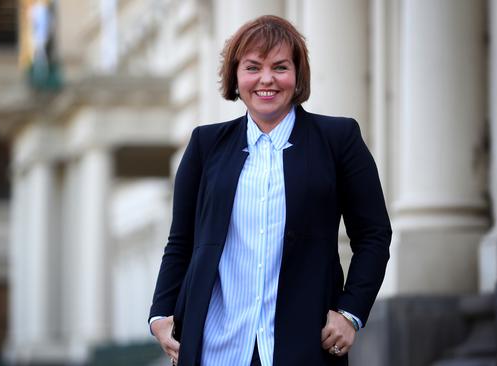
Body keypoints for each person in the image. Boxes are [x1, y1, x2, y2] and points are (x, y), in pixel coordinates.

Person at [149, 15, 391, 366]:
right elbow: (181, 242)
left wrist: (350, 312)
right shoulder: (205, 145)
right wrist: (160, 314)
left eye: (280, 67)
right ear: (235, 75)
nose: (266, 79)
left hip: (305, 347)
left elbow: (373, 235)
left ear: (297, 75)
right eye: (252, 67)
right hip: (216, 347)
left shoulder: (339, 141)